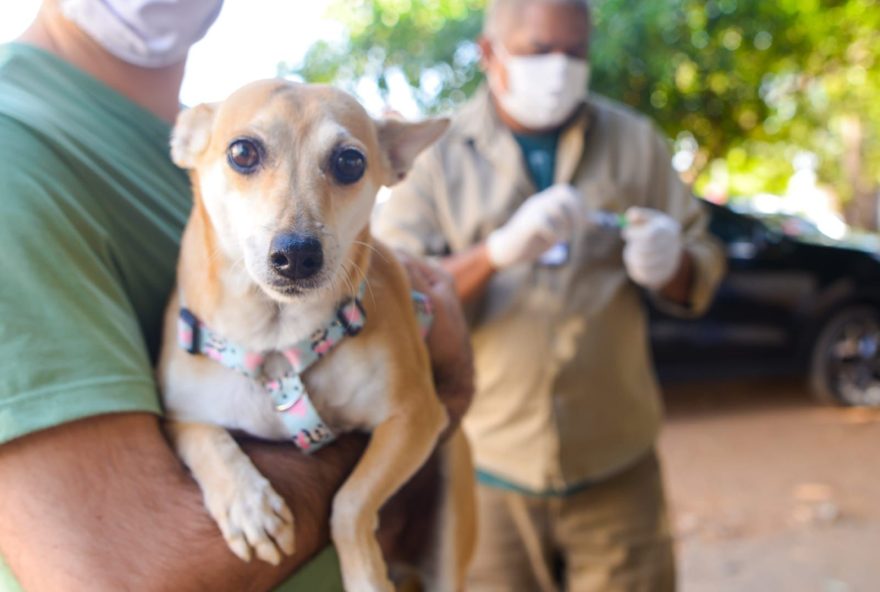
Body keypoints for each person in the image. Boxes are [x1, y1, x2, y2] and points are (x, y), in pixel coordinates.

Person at [0, 1, 473, 590]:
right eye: (248, 156)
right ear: (194, 148)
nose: (296, 236)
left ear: (391, 163)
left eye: (346, 164)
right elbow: (115, 573)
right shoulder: (11, 151)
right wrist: (446, 389)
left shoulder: (187, 129)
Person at [375, 0, 726, 590]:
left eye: (576, 51)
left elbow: (703, 266)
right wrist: (496, 253)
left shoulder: (634, 141)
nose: (560, 69)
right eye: (540, 50)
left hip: (615, 464)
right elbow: (392, 296)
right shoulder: (433, 156)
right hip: (485, 467)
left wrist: (673, 263)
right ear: (490, 54)